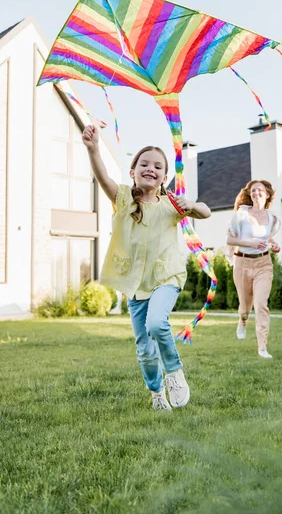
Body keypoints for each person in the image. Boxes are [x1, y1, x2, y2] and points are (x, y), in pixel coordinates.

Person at [82, 125, 211, 410]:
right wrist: (93, 149)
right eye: (144, 164)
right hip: (136, 285)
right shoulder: (124, 199)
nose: (150, 168)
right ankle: (156, 394)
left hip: (166, 277)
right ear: (132, 171)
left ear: (165, 177)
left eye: (157, 166)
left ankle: (174, 372)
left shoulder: (171, 205)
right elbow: (103, 177)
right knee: (144, 348)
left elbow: (205, 211)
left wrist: (190, 204)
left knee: (156, 323)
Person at [226, 180, 281, 359]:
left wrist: (274, 246)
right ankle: (242, 320)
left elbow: (269, 239)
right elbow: (230, 240)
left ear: (267, 194)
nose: (257, 193)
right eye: (254, 190)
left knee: (261, 305)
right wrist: (249, 243)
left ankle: (262, 348)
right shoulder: (241, 214)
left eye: (260, 190)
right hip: (242, 263)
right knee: (245, 307)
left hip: (263, 264)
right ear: (250, 194)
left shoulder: (272, 219)